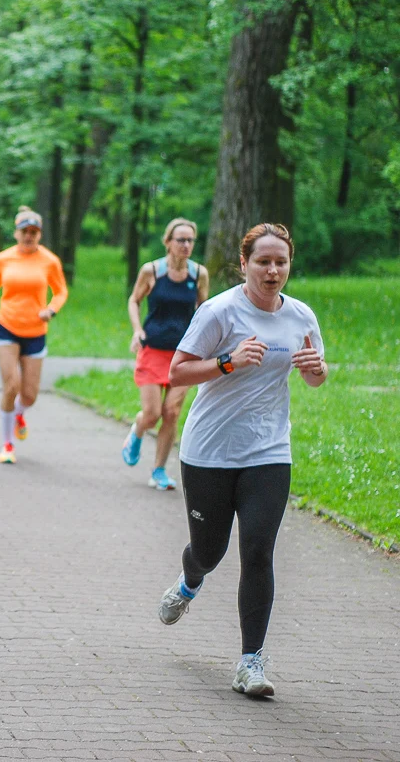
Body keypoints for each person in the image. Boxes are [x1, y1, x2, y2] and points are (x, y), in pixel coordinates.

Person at [157, 223, 326, 698]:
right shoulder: (219, 311)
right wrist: (227, 361)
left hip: (268, 451)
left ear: (289, 265)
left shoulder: (301, 316)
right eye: (263, 262)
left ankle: (251, 662)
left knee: (257, 551)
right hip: (210, 451)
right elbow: (177, 372)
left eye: (281, 262)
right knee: (209, 552)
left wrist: (317, 370)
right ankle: (189, 581)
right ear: (244, 264)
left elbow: (314, 376)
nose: (272, 271)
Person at [122, 218, 210, 489]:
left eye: (190, 240)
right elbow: (134, 300)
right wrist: (137, 330)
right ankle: (138, 430)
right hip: (153, 350)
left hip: (183, 355)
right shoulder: (152, 271)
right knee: (152, 414)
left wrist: (206, 343)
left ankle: (158, 471)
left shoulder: (199, 274)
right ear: (168, 242)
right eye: (181, 240)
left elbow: (204, 311)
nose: (186, 245)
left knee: (171, 412)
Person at [0, 206, 68, 464]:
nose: (29, 236)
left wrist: (51, 310)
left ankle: (19, 413)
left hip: (36, 330)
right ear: (16, 233)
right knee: (11, 386)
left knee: (29, 395)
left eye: (34, 232)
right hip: (7, 326)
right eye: (24, 231)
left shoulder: (49, 261)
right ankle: (8, 444)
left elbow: (61, 291)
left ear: (39, 234)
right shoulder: (4, 258)